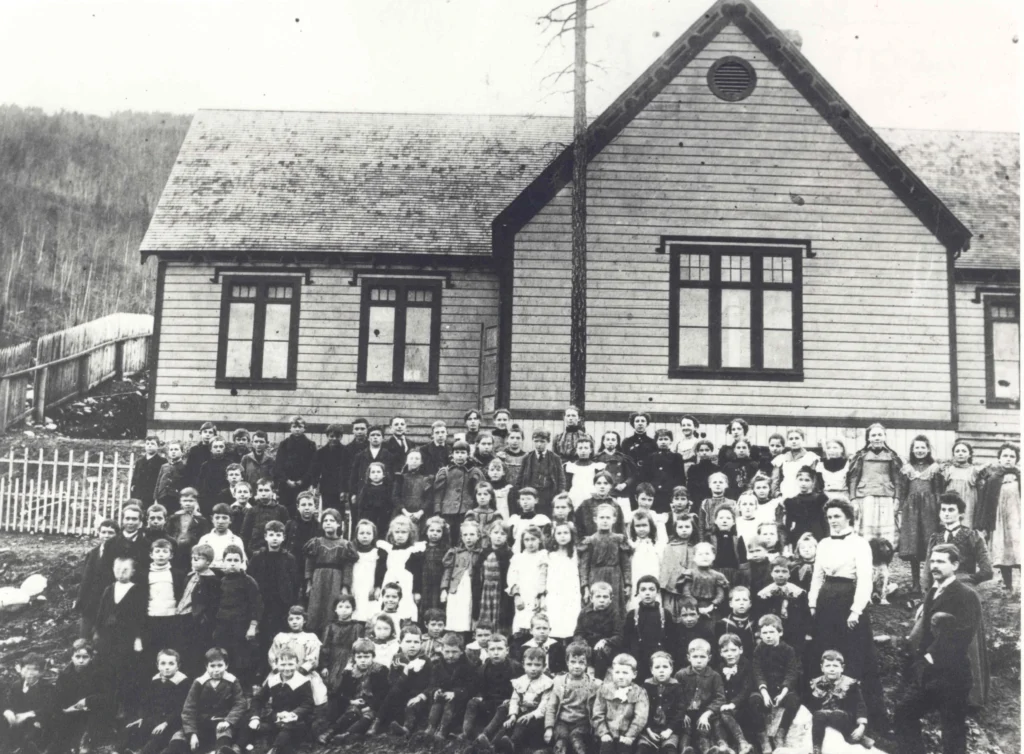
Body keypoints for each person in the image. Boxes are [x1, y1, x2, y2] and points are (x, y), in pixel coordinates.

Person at [895, 543, 983, 754]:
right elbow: (925, 631)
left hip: (952, 677)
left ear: (954, 565)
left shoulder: (966, 595)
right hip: (928, 675)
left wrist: (929, 657)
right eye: (932, 561)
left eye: (941, 562)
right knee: (903, 713)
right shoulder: (933, 591)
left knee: (953, 735)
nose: (934, 566)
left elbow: (963, 634)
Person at [809, 498, 887, 731]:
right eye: (830, 517)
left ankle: (864, 717)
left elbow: (865, 579)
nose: (833, 521)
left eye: (837, 516)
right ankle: (827, 713)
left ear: (848, 518)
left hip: (849, 601)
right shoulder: (823, 543)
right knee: (826, 651)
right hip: (826, 602)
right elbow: (817, 576)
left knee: (856, 656)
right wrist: (813, 602)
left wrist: (856, 610)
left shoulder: (859, 543)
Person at [926, 492, 992, 708]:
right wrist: (926, 598)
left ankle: (971, 699)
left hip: (963, 594)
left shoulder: (972, 536)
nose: (946, 514)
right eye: (943, 510)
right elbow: (928, 572)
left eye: (951, 510)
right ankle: (935, 694)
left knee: (965, 641)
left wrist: (964, 579)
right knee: (929, 638)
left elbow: (987, 571)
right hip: (938, 591)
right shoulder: (935, 538)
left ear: (961, 513)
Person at [167, 648, 246, 754]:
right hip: (200, 722)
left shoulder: (232, 681)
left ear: (226, 666)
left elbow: (240, 703)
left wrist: (228, 721)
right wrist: (192, 734)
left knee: (223, 737)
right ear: (206, 666)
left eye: (220, 665)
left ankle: (221, 751)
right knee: (178, 740)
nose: (216, 669)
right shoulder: (199, 682)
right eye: (212, 666)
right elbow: (189, 708)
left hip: (221, 722)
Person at [94, 557, 145, 717]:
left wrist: (138, 638)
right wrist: (97, 633)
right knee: (107, 670)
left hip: (126, 639)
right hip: (107, 638)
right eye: (117, 570)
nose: (121, 573)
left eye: (125, 570)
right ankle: (107, 706)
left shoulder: (137, 590)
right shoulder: (109, 589)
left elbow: (140, 617)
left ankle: (123, 707)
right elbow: (100, 614)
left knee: (124, 670)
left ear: (133, 572)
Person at [117, 648, 190, 754]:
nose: (167, 667)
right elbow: (148, 702)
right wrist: (142, 718)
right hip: (155, 718)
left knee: (158, 736)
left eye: (171, 664)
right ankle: (119, 751)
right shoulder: (155, 681)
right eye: (163, 664)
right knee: (130, 730)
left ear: (178, 666)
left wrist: (166, 723)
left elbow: (181, 708)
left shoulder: (183, 682)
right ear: (158, 666)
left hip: (171, 722)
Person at [250, 526, 303, 670]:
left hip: (281, 607)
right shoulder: (257, 557)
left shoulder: (289, 558)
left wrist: (291, 603)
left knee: (280, 639)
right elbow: (251, 581)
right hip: (263, 605)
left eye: (278, 535)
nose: (274, 538)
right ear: (265, 536)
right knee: (262, 640)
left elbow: (295, 582)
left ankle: (283, 671)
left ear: (283, 537)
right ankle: (262, 673)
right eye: (271, 535)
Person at [898, 435, 944, 593]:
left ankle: (930, 581)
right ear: (912, 450)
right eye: (916, 447)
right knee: (914, 545)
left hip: (929, 510)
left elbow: (938, 491)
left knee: (929, 543)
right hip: (911, 510)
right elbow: (902, 491)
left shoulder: (934, 468)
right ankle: (915, 582)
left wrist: (939, 509)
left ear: (928, 449)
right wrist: (900, 508)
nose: (919, 450)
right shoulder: (907, 468)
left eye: (923, 447)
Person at [246, 649, 314, 754]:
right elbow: (258, 699)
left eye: (290, 664)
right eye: (283, 664)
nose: (287, 668)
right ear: (276, 664)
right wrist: (255, 716)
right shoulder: (273, 680)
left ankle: (274, 750)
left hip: (296, 721)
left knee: (287, 732)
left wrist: (294, 714)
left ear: (297, 664)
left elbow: (308, 703)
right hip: (276, 717)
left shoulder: (302, 682)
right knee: (257, 727)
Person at [212, 545, 263, 686]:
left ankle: (243, 692)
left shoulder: (249, 581)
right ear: (224, 562)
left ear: (242, 562)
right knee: (224, 656)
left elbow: (257, 606)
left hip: (241, 627)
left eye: (236, 560)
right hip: (223, 626)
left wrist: (252, 627)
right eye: (229, 560)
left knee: (242, 660)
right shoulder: (221, 582)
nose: (232, 563)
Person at [750, 614, 800, 753]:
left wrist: (783, 693)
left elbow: (791, 673)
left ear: (780, 632)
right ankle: (763, 738)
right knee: (753, 700)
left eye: (772, 632)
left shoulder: (788, 650)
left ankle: (780, 734)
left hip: (782, 689)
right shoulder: (759, 650)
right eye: (764, 633)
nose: (768, 636)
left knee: (793, 700)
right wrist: (765, 694)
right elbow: (758, 672)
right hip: (765, 690)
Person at [806, 650, 872, 754]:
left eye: (835, 666)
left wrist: (861, 726)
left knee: (837, 714)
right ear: (822, 668)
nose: (831, 669)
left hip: (843, 716)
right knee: (819, 715)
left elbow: (860, 705)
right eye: (828, 666)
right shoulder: (817, 682)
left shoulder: (849, 683)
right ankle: (816, 749)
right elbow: (811, 703)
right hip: (822, 715)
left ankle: (857, 737)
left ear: (842, 668)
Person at [49, 639, 109, 754]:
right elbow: (57, 697)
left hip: (91, 712)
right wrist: (65, 708)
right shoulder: (65, 675)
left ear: (91, 657)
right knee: (59, 739)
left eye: (85, 657)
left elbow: (106, 696)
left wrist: (87, 701)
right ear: (72, 657)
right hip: (69, 713)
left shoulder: (98, 673)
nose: (81, 660)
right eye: (77, 656)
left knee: (85, 742)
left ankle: (85, 743)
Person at [463, 633, 523, 743]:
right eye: (492, 649)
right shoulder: (483, 669)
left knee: (504, 707)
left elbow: (521, 691)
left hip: (506, 705)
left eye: (500, 649)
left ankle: (485, 735)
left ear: (507, 650)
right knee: (472, 702)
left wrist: (511, 700)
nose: (496, 652)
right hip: (489, 703)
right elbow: (479, 688)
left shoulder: (515, 668)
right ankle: (466, 732)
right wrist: (480, 697)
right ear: (487, 651)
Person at [304, 508, 357, 633]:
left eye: (332, 520)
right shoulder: (316, 542)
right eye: (325, 520)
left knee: (331, 608)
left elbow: (347, 567)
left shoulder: (344, 544)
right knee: (315, 608)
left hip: (336, 579)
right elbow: (309, 564)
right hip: (318, 579)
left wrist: (345, 586)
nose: (328, 523)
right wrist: (308, 583)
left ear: (338, 524)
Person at [977, 442, 1021, 592]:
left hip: (1017, 519)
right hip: (999, 520)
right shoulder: (993, 479)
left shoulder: (1020, 476)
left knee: (1019, 548)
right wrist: (983, 524)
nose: (1008, 459)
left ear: (1017, 459)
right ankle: (1008, 584)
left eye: (1012, 456)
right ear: (999, 458)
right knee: (1002, 550)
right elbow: (985, 502)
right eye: (1005, 456)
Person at [492, 648, 554, 754]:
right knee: (506, 723)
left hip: (536, 718)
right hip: (521, 712)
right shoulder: (521, 681)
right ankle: (492, 745)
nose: (533, 668)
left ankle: (511, 744)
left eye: (537, 665)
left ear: (544, 667)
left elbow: (544, 705)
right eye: (529, 664)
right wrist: (512, 715)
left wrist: (531, 715)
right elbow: (515, 699)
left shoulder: (547, 683)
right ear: (523, 665)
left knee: (521, 722)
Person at [848, 423, 902, 543]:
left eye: (879, 435)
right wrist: (853, 498)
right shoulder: (861, 456)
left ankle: (884, 556)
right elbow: (854, 478)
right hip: (866, 497)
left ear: (885, 437)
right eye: (873, 435)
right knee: (866, 530)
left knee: (885, 531)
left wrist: (897, 498)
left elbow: (897, 479)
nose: (877, 438)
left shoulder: (891, 456)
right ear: (868, 438)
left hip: (886, 497)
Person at [545, 642, 599, 754]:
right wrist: (549, 728)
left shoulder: (594, 684)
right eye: (573, 662)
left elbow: (598, 709)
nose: (577, 666)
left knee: (577, 741)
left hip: (582, 723)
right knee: (561, 742)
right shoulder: (559, 682)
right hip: (562, 722)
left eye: (581, 662)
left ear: (587, 664)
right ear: (567, 662)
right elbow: (551, 706)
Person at [675, 638, 726, 754]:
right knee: (685, 729)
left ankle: (707, 751)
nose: (698, 661)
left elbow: (720, 698)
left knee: (703, 729)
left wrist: (707, 714)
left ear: (709, 658)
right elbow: (676, 696)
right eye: (695, 657)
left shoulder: (714, 676)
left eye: (702, 657)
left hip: (703, 712)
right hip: (686, 713)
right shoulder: (681, 675)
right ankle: (685, 751)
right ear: (689, 657)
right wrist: (682, 712)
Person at [592, 653, 649, 754]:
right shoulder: (604, 689)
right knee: (606, 749)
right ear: (612, 672)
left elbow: (640, 717)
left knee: (625, 749)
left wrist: (630, 736)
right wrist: (603, 733)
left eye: (625, 673)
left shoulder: (639, 692)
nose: (621, 676)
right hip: (608, 734)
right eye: (617, 672)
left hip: (627, 735)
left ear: (634, 674)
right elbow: (598, 713)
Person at [423, 633, 475, 740]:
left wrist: (455, 693)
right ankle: (431, 728)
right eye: (447, 652)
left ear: (461, 651)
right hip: (441, 701)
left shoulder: (468, 667)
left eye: (454, 652)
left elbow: (471, 688)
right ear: (441, 650)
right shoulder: (437, 665)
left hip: (459, 703)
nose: (450, 655)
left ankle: (443, 731)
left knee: (450, 703)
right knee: (437, 703)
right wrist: (436, 691)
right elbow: (432, 684)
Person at [75, 519, 119, 639]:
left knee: (102, 637)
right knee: (84, 636)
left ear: (117, 535)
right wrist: (81, 600)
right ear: (98, 533)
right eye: (103, 532)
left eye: (110, 533)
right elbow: (85, 579)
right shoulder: (93, 553)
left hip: (109, 602)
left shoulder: (119, 554)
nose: (106, 536)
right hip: (90, 602)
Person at [0, 653, 53, 754]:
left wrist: (28, 714)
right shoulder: (16, 685)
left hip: (35, 721)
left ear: (41, 672)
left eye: (35, 669)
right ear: (21, 669)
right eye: (27, 669)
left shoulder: (46, 687)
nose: (30, 673)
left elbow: (48, 708)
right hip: (17, 720)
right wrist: (8, 711)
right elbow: (10, 702)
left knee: (30, 740)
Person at [623, 576, 676, 673]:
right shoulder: (632, 615)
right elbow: (627, 641)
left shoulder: (665, 614)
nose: (647, 593)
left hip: (659, 661)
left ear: (657, 591)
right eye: (643, 589)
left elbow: (672, 641)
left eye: (651, 589)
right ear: (638, 592)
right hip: (639, 659)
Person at [573, 582, 623, 680]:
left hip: (607, 648)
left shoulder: (614, 614)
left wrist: (606, 641)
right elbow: (578, 633)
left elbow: (619, 636)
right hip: (588, 646)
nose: (601, 600)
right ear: (591, 598)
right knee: (573, 649)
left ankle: (598, 681)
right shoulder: (585, 612)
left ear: (610, 599)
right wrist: (583, 644)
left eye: (605, 597)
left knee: (601, 653)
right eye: (598, 597)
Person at [638, 650, 684, 754]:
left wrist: (669, 730)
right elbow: (641, 711)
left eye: (665, 667)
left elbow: (680, 711)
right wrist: (648, 730)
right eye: (657, 667)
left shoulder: (676, 687)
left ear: (671, 669)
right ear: (651, 670)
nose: (661, 670)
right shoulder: (646, 686)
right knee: (642, 750)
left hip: (670, 731)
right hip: (648, 730)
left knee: (670, 750)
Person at [434, 441, 485, 530]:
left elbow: (481, 491)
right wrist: (438, 511)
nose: (460, 455)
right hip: (447, 511)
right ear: (452, 455)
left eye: (463, 453)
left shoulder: (475, 472)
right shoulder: (445, 472)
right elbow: (438, 493)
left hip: (467, 511)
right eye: (457, 453)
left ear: (468, 455)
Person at [274, 416, 318, 514]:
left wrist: (302, 481)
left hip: (303, 485)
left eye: (300, 427)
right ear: (290, 428)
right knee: (285, 511)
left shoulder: (310, 445)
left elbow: (313, 466)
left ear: (304, 428)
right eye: (294, 427)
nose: (297, 429)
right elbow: (278, 465)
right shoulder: (284, 445)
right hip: (286, 486)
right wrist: (287, 480)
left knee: (302, 510)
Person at [520, 430, 568, 516]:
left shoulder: (555, 458)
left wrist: (560, 494)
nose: (539, 444)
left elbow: (561, 478)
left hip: (549, 495)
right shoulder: (527, 458)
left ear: (548, 442)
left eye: (542, 441)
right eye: (536, 441)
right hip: (531, 495)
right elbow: (520, 478)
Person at [309, 424, 352, 517]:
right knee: (327, 512)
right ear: (327, 436)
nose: (334, 439)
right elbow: (315, 470)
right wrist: (314, 485)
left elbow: (347, 472)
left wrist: (344, 490)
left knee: (339, 513)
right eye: (331, 436)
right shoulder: (321, 452)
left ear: (341, 437)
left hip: (340, 488)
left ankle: (339, 530)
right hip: (326, 488)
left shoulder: (346, 451)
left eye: (337, 436)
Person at [241, 479, 290, 556]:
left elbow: (287, 532)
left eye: (266, 490)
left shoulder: (281, 510)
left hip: (277, 552)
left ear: (273, 491)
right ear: (257, 492)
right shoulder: (252, 511)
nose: (263, 493)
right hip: (255, 552)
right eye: (260, 490)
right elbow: (245, 535)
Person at [132, 435, 166, 505]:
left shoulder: (162, 462)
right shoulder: (139, 462)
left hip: (153, 498)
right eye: (147, 444)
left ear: (158, 446)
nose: (149, 446)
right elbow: (134, 480)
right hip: (139, 497)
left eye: (152, 444)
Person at [155, 441, 187, 514]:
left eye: (176, 449)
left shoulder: (185, 467)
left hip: (176, 499)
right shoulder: (164, 466)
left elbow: (186, 484)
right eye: (171, 450)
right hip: (162, 498)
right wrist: (156, 498)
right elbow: (158, 483)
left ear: (182, 452)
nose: (173, 452)